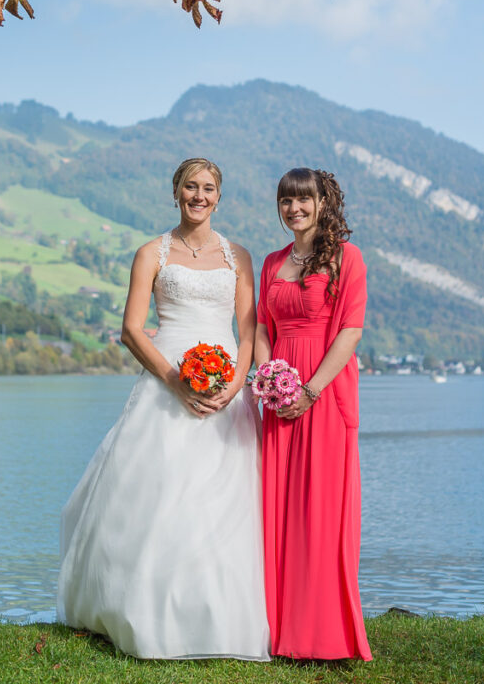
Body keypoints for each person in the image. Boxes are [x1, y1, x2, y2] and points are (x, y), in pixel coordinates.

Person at [57, 158, 270, 661]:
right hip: (166, 380)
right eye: (191, 187)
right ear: (175, 192)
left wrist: (236, 383)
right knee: (160, 492)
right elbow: (132, 329)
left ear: (220, 196)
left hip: (226, 388)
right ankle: (145, 614)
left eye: (209, 188)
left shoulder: (239, 255)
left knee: (225, 501)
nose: (200, 195)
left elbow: (247, 330)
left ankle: (220, 618)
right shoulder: (151, 252)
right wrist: (176, 381)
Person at [255, 167, 372, 661]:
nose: (293, 209)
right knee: (275, 512)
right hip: (280, 400)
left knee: (319, 514)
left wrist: (310, 390)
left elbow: (350, 330)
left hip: (324, 393)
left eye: (303, 200)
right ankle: (276, 631)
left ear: (323, 204)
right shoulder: (271, 262)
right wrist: (269, 382)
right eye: (286, 200)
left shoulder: (348, 258)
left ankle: (322, 635)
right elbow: (262, 326)